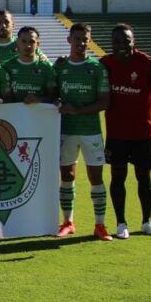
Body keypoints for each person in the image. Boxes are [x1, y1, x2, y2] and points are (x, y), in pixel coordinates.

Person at [101, 24, 151, 238]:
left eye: (126, 40)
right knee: (118, 176)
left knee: (144, 177)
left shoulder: (147, 63)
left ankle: (147, 222)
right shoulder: (105, 63)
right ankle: (121, 224)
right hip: (116, 133)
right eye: (117, 41)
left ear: (133, 41)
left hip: (143, 132)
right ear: (111, 43)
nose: (121, 45)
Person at [54, 23, 111, 240]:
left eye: (85, 39)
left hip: (91, 131)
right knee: (67, 176)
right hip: (66, 131)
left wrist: (77, 110)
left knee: (96, 176)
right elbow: (51, 94)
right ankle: (68, 221)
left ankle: (100, 225)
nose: (81, 43)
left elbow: (105, 102)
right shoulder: (59, 67)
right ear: (69, 40)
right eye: (76, 38)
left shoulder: (97, 68)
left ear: (89, 40)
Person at [3, 26, 56, 104]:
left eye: (32, 42)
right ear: (17, 42)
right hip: (14, 115)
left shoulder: (47, 67)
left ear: (37, 44)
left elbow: (54, 97)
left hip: (38, 114)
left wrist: (39, 100)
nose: (28, 46)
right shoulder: (7, 66)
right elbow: (3, 97)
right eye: (24, 41)